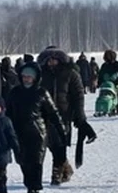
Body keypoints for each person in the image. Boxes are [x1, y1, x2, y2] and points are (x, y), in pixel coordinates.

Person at [7, 62, 66, 193]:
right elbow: (8, 113)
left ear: (35, 78)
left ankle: (35, 190)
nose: (26, 79)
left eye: (29, 77)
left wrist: (61, 129)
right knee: (23, 162)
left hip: (38, 133)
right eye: (24, 76)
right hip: (19, 132)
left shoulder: (42, 92)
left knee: (36, 162)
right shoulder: (15, 93)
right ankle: (29, 187)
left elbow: (53, 113)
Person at [38, 47, 94, 185]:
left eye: (54, 59)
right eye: (48, 59)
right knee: (50, 144)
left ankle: (56, 172)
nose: (51, 62)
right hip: (45, 115)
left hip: (64, 114)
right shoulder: (40, 75)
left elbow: (78, 95)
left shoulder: (71, 74)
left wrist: (79, 116)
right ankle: (66, 167)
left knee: (60, 144)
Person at [98, 51, 118, 116]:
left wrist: (116, 74)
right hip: (105, 84)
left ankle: (117, 110)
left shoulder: (116, 64)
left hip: (115, 83)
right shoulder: (104, 65)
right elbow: (100, 74)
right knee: (105, 95)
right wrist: (99, 82)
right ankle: (106, 108)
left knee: (116, 96)